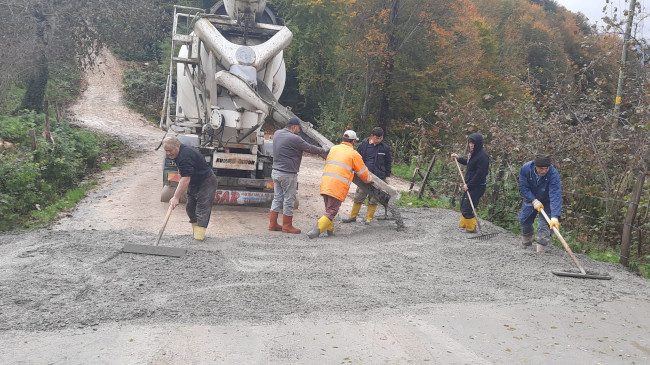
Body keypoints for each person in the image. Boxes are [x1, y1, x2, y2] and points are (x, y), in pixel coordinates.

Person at [307, 130, 373, 239]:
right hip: (337, 186)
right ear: (353, 142)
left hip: (326, 183)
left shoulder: (333, 149)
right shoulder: (354, 154)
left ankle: (330, 231)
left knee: (328, 208)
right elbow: (363, 174)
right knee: (332, 210)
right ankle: (316, 231)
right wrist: (369, 179)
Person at [269, 117, 330, 234]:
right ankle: (287, 225)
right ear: (294, 126)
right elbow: (310, 148)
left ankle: (273, 224)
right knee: (289, 199)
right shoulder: (295, 138)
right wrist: (324, 149)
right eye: (299, 128)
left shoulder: (277, 133)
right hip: (288, 173)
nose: (299, 130)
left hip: (275, 171)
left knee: (277, 198)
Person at [163, 136, 219, 241]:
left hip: (206, 181)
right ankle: (196, 234)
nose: (168, 153)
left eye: (170, 150)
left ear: (177, 146)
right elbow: (182, 172)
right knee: (190, 208)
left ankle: (199, 237)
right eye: (166, 151)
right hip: (194, 182)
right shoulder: (178, 154)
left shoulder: (185, 155)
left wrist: (176, 197)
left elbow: (186, 178)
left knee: (202, 208)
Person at [342, 127, 392, 224]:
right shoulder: (363, 145)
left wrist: (387, 176)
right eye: (377, 138)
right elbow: (357, 158)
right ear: (372, 136)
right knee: (359, 196)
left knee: (374, 199)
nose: (379, 140)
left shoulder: (385, 147)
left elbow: (388, 163)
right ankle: (352, 217)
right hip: (364, 176)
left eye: (381, 138)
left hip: (379, 177)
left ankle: (369, 219)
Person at [518, 154, 562, 252]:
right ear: (535, 166)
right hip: (531, 197)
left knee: (544, 227)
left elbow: (555, 194)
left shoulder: (553, 174)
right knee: (524, 220)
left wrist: (554, 216)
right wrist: (533, 200)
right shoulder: (525, 169)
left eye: (546, 168)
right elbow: (523, 187)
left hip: (548, 201)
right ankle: (527, 244)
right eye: (541, 168)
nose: (544, 171)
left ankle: (540, 254)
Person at [450, 133, 489, 233]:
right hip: (470, 184)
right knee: (463, 204)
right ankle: (464, 225)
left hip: (477, 186)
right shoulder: (473, 153)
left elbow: (480, 174)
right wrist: (458, 158)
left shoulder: (483, 156)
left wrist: (469, 185)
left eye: (473, 143)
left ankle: (471, 228)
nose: (471, 144)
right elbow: (469, 162)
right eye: (470, 142)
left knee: (468, 208)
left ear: (478, 143)